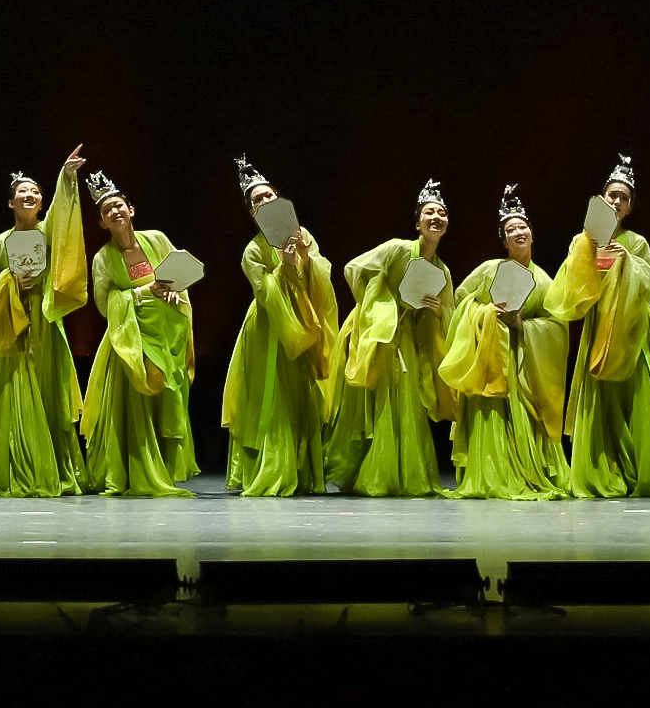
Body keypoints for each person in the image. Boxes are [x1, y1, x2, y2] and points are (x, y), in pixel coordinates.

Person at [549, 157, 650, 498]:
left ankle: (646, 467)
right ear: (601, 200)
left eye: (624, 197)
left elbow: (648, 284)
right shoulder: (582, 241)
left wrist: (626, 261)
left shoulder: (636, 243)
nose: (617, 201)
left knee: (639, 398)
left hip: (635, 331)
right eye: (612, 195)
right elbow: (569, 290)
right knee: (602, 398)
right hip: (599, 328)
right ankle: (605, 469)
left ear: (630, 207)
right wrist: (588, 253)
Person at [0, 152, 89, 497]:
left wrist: (66, 178)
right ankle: (13, 465)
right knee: (12, 390)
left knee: (48, 388)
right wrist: (9, 282)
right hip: (9, 324)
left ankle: (52, 464)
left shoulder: (48, 234)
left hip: (44, 321)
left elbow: (64, 217)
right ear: (11, 203)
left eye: (35, 191)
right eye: (22, 191)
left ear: (41, 202)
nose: (30, 194)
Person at [325, 182, 459, 497]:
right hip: (379, 333)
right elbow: (353, 269)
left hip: (407, 338)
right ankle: (367, 471)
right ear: (417, 223)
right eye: (429, 212)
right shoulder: (397, 249)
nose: (436, 217)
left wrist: (437, 312)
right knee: (375, 400)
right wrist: (383, 304)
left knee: (404, 401)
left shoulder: (442, 271)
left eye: (441, 213)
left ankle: (397, 472)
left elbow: (450, 314)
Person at [438, 185, 569, 500]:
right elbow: (460, 302)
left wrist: (525, 326)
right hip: (491, 357)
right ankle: (491, 471)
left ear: (532, 235)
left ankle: (527, 472)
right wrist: (484, 313)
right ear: (504, 241)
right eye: (511, 230)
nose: (518, 232)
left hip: (524, 362)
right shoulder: (488, 270)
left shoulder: (544, 280)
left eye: (523, 227)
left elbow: (557, 325)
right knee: (491, 414)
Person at [220, 156, 339, 497]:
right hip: (269, 331)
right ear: (252, 212)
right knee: (273, 399)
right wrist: (285, 266)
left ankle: (303, 471)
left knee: (302, 396)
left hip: (303, 323)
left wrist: (306, 258)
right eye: (257, 199)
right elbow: (266, 293)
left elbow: (322, 279)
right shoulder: (253, 251)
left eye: (268, 195)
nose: (265, 201)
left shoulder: (304, 236)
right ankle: (274, 469)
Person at [80, 169, 198, 496]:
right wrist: (144, 292)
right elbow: (105, 304)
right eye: (106, 210)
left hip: (164, 333)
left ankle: (163, 467)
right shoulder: (103, 258)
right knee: (136, 406)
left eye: (118, 205)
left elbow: (178, 276)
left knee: (165, 400)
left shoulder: (157, 239)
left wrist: (175, 295)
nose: (114, 211)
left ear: (130, 210)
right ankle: (133, 468)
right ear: (102, 222)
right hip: (130, 342)